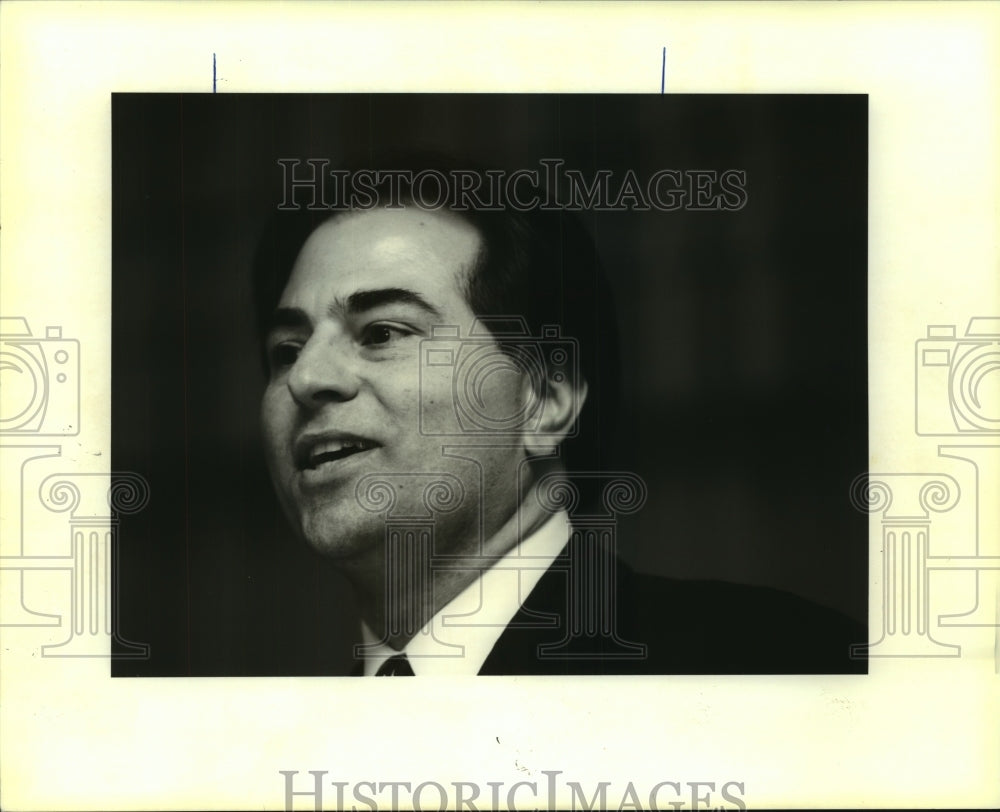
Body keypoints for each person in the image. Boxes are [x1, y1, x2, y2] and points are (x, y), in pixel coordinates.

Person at [254, 162, 866, 676]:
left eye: (382, 332)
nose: (307, 378)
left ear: (545, 400)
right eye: (286, 351)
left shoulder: (770, 665)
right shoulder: (259, 749)